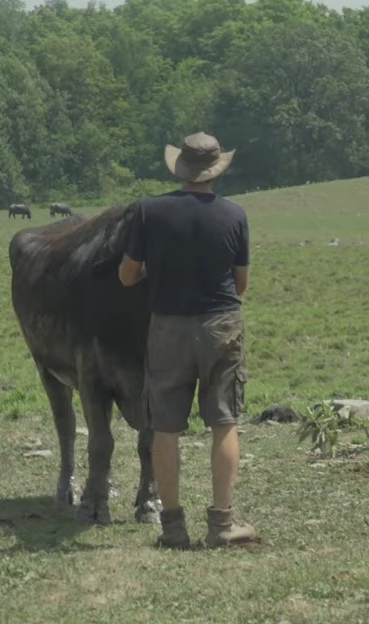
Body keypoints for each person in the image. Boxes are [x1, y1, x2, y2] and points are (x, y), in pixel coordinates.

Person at [118, 132, 258, 550]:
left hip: (167, 328)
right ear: (216, 170)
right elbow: (241, 284)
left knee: (166, 426)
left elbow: (127, 275)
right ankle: (222, 524)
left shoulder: (149, 212)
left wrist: (154, 276)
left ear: (180, 169)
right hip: (220, 326)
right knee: (224, 421)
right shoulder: (235, 215)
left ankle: (173, 526)